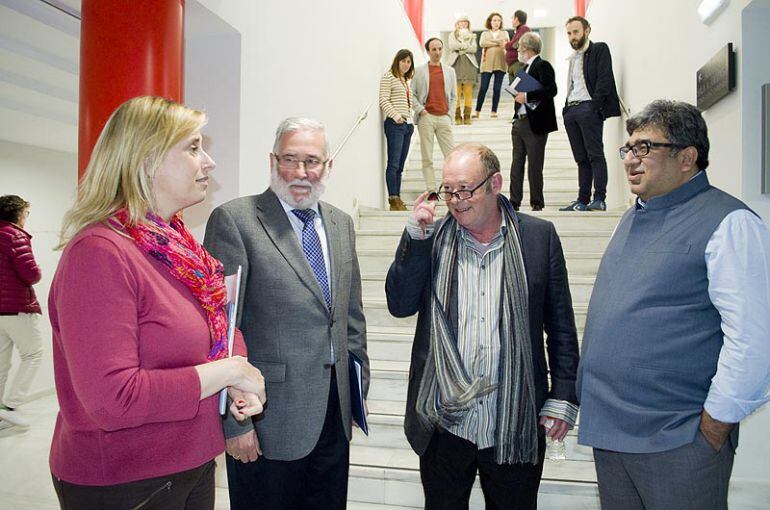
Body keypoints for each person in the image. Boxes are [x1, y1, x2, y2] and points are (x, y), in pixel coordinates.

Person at [48, 96, 266, 509]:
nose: (209, 162)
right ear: (146, 160)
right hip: (125, 481)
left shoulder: (177, 248)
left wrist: (237, 378)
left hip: (191, 462)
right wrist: (228, 370)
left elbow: (219, 322)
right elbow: (114, 400)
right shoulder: (99, 253)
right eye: (193, 147)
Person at [577, 100, 770, 510]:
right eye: (628, 148)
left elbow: (755, 340)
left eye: (645, 148)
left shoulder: (730, 222)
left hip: (678, 440)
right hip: (611, 435)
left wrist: (715, 425)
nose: (631, 159)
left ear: (687, 157)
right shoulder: (630, 218)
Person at [386, 142, 580, 510]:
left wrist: (564, 394)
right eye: (448, 190)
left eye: (466, 189)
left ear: (495, 184)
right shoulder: (434, 238)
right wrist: (416, 236)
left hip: (514, 420)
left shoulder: (539, 238)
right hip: (444, 424)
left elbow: (561, 328)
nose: (456, 200)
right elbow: (399, 304)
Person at [203, 117, 370, 510]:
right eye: (290, 159)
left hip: (333, 415)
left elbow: (350, 319)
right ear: (272, 160)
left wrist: (353, 395)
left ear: (328, 166)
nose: (300, 172)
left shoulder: (341, 224)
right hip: (267, 418)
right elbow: (220, 329)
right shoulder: (235, 221)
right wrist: (235, 423)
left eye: (312, 161)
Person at [559, 16, 620, 212]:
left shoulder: (599, 49)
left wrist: (595, 105)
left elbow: (605, 78)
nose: (572, 37)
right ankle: (582, 200)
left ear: (587, 31)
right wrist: (566, 108)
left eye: (576, 32)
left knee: (595, 154)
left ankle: (599, 198)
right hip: (572, 110)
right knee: (581, 158)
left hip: (588, 108)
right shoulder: (572, 58)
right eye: (569, 33)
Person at [0, 194, 44, 430]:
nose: (26, 218)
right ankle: (10, 406)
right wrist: (38, 269)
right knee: (34, 354)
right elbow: (30, 274)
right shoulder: (15, 235)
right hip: (16, 309)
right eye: (26, 213)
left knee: (1, 363)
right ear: (17, 213)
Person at [508, 32, 558, 212]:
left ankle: (537, 201)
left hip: (534, 123)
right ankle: (514, 201)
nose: (518, 50)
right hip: (519, 122)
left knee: (535, 165)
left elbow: (551, 90)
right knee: (516, 163)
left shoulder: (542, 65)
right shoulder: (523, 69)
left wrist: (527, 95)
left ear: (528, 48)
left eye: (520, 46)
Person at [412, 37, 457, 191]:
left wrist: (450, 115)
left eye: (440, 49)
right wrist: (421, 111)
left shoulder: (450, 71)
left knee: (451, 157)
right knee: (427, 158)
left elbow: (454, 96)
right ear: (428, 51)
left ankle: (452, 187)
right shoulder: (419, 71)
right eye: (434, 49)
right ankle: (432, 190)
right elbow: (412, 94)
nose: (437, 52)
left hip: (444, 118)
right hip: (426, 117)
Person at [379, 48, 415, 211]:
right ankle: (393, 199)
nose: (406, 64)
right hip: (395, 125)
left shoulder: (404, 80)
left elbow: (408, 103)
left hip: (407, 126)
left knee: (400, 166)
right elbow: (383, 100)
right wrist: (396, 116)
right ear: (397, 61)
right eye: (403, 61)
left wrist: (410, 120)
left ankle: (398, 198)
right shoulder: (389, 77)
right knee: (393, 164)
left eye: (409, 62)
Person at [474, 12, 509, 119]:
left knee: (497, 89)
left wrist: (491, 42)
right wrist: (497, 42)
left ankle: (494, 111)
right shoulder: (485, 33)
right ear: (490, 22)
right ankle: (477, 111)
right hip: (486, 64)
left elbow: (505, 43)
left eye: (498, 20)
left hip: (501, 63)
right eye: (494, 20)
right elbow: (482, 43)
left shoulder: (505, 33)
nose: (496, 22)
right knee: (483, 88)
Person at [447, 14, 478, 126]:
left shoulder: (472, 35)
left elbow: (474, 48)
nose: (464, 23)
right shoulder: (452, 34)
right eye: (461, 21)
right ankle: (457, 116)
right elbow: (452, 46)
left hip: (469, 65)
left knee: (468, 92)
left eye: (466, 22)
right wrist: (465, 48)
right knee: (456, 92)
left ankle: (467, 116)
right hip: (456, 65)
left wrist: (461, 48)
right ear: (457, 24)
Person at [504, 10, 531, 84]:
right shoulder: (519, 30)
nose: (512, 20)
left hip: (518, 64)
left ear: (516, 18)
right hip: (513, 65)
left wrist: (506, 44)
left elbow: (516, 44)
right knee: (514, 90)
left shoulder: (524, 28)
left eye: (512, 18)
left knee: (521, 89)